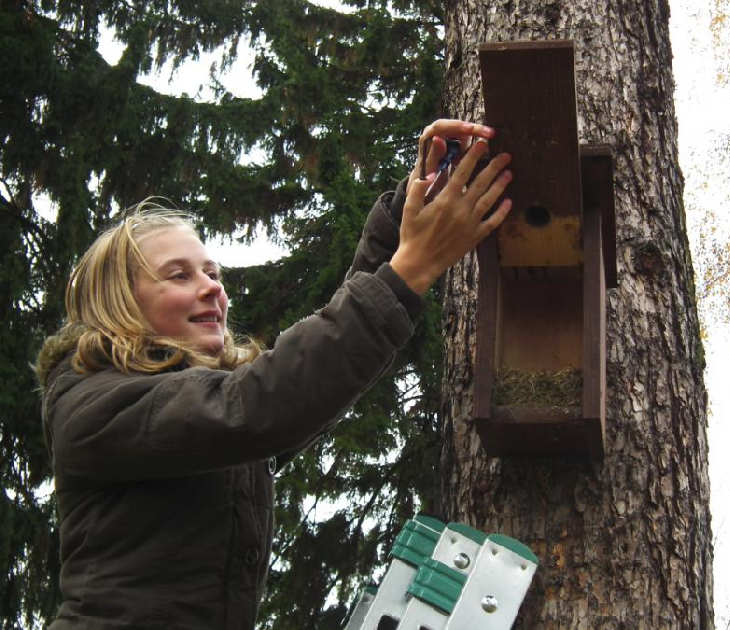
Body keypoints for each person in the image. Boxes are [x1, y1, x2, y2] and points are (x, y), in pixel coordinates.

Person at [35, 119, 513, 629]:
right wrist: (411, 269)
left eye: (213, 274)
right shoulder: (93, 406)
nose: (212, 289)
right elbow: (266, 403)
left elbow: (309, 377)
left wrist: (410, 209)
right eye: (179, 275)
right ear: (118, 306)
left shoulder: (202, 410)